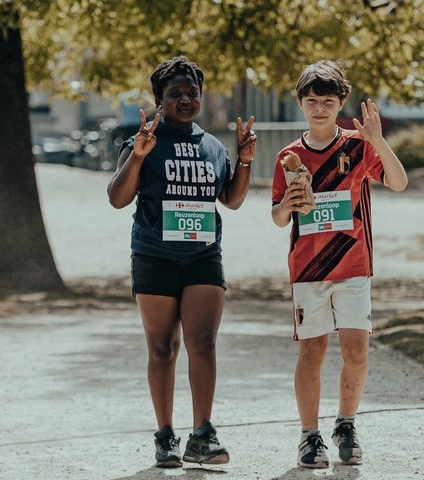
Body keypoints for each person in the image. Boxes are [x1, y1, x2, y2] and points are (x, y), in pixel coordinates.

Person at [107, 55, 256, 469]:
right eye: (175, 94)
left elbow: (232, 200)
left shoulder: (211, 146)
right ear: (159, 100)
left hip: (204, 256)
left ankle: (203, 434)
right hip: (154, 256)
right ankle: (165, 436)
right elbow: (118, 199)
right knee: (162, 348)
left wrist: (243, 158)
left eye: (192, 93)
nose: (186, 99)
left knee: (203, 343)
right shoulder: (142, 142)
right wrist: (137, 155)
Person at [270, 60, 407, 469]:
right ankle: (309, 436)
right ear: (300, 103)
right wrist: (287, 205)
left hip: (353, 267)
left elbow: (399, 182)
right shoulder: (289, 156)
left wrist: (378, 140)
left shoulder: (358, 146)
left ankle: (345, 425)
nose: (319, 109)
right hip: (309, 270)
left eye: (327, 101)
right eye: (311, 101)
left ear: (340, 103)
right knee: (312, 351)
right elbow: (277, 218)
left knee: (357, 352)